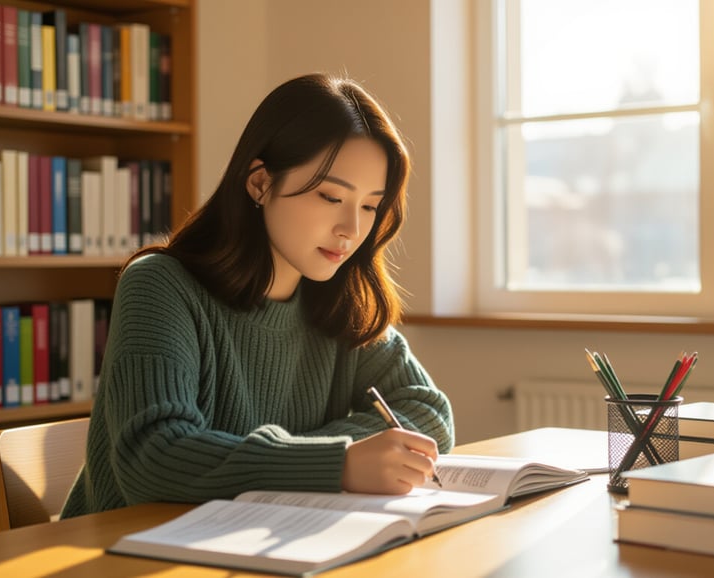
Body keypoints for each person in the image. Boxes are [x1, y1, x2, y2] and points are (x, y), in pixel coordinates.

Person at [61, 73, 455, 518]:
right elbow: (152, 458)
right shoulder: (160, 286)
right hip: (124, 551)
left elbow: (429, 414)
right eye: (330, 197)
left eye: (369, 205)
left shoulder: (340, 297)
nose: (353, 229)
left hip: (260, 542)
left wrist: (316, 460)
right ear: (260, 183)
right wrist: (337, 462)